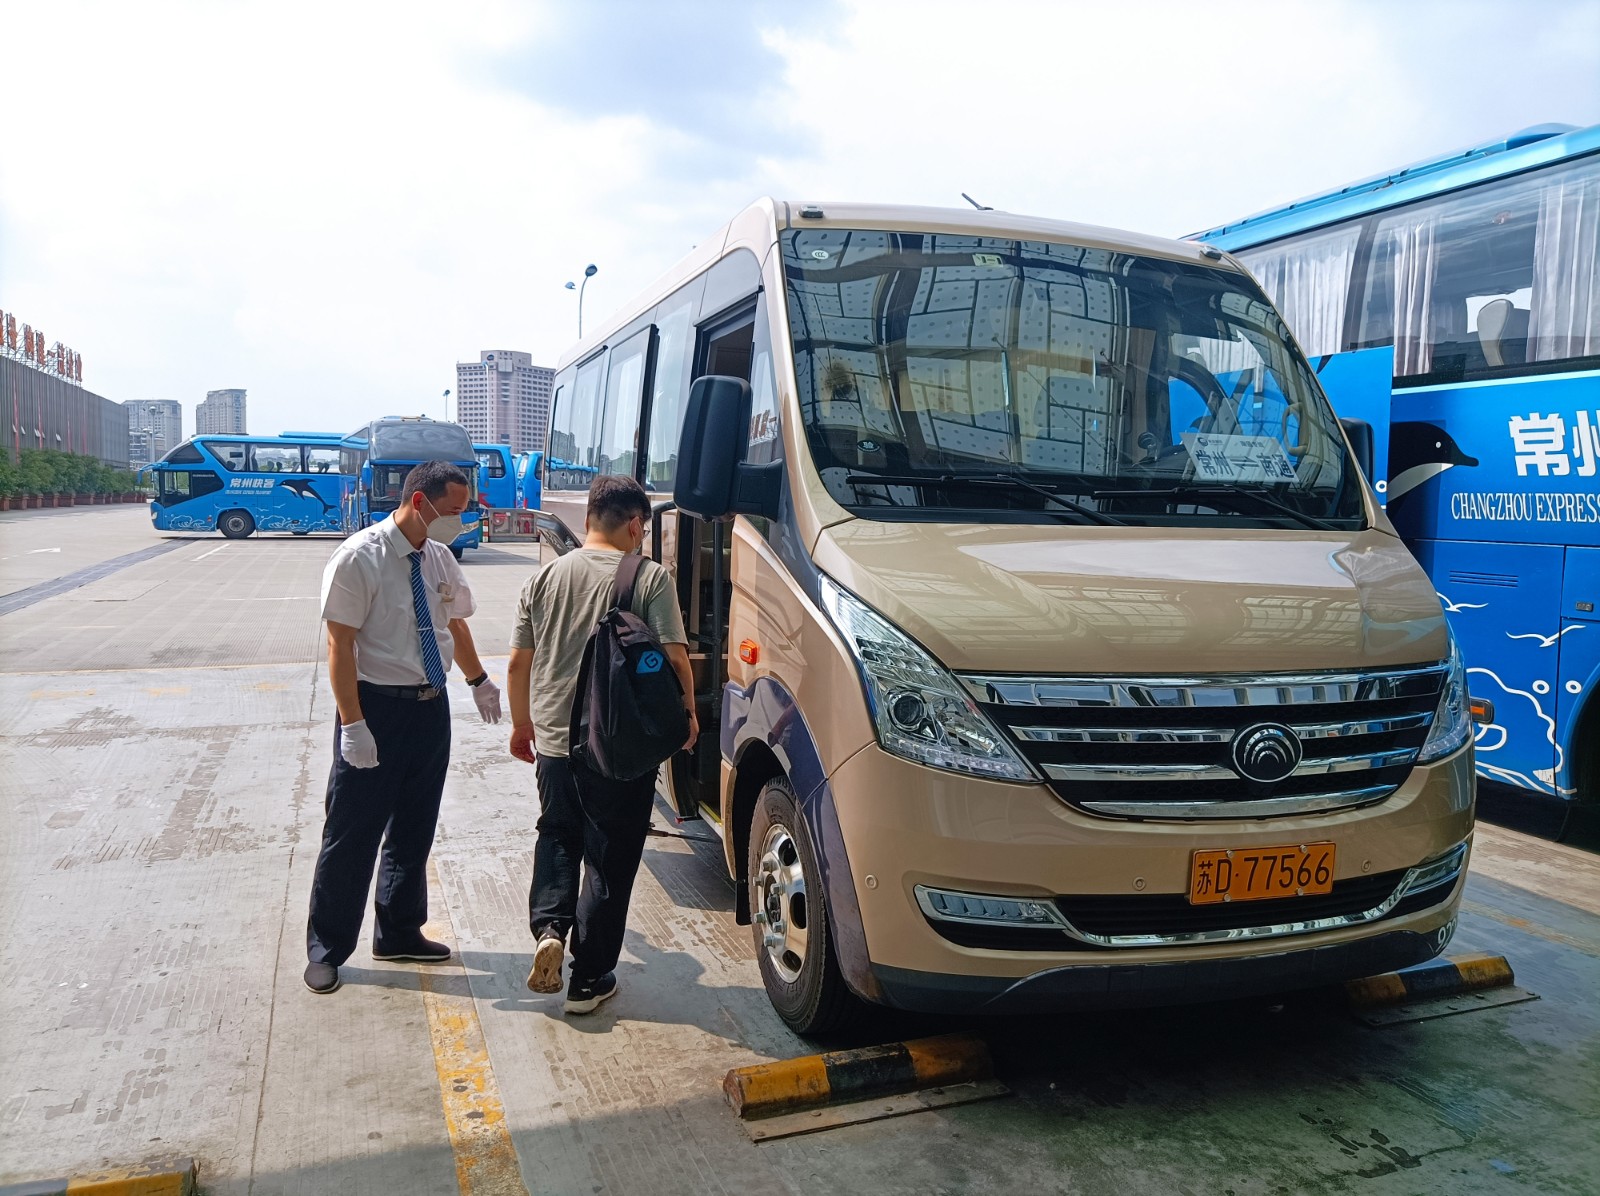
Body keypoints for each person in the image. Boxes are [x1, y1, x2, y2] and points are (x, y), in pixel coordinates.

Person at [303, 460, 503, 995]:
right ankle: (327, 948)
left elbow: (452, 624)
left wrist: (478, 680)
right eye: (454, 510)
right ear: (420, 502)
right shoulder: (358, 558)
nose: (460, 520)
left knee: (415, 829)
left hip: (429, 708)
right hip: (376, 708)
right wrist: (353, 724)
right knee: (352, 834)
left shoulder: (438, 557)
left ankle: (398, 931)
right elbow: (339, 645)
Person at [507, 474, 696, 1014]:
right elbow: (674, 655)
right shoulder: (649, 576)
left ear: (589, 518)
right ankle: (588, 979)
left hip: (553, 739)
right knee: (610, 856)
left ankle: (550, 929)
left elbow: (518, 663)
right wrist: (687, 715)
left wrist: (522, 725)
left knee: (558, 833)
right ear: (636, 525)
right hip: (618, 743)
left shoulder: (544, 578)